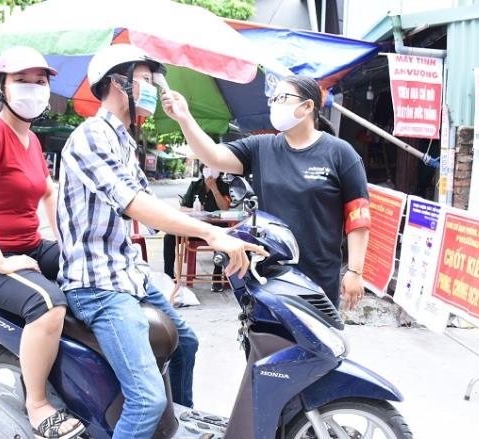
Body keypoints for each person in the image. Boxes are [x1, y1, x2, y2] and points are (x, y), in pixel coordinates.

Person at [56, 44, 266, 439]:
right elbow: (135, 204)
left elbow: (152, 205)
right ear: (118, 83)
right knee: (146, 400)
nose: (154, 88)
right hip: (97, 285)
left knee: (186, 341)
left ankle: (177, 428)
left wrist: (226, 229)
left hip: (124, 274)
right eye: (147, 80)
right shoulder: (91, 137)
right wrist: (209, 232)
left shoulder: (123, 141)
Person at [0, 46, 85, 439]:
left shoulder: (30, 140)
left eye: (40, 82)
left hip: (28, 245)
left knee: (91, 269)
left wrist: (66, 239)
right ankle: (38, 405)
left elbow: (47, 192)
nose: (32, 89)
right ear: (2, 87)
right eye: (21, 81)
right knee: (47, 306)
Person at [161, 75, 371, 310]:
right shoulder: (261, 147)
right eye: (273, 99)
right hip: (267, 275)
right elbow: (213, 156)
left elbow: (358, 218)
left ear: (307, 106)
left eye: (282, 97)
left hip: (318, 278)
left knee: (315, 345)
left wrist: (355, 271)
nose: (275, 104)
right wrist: (184, 118)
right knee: (267, 343)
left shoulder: (341, 153)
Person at [163, 164, 231, 292]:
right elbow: (183, 208)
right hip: (194, 228)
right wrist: (196, 209)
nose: (210, 171)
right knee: (169, 237)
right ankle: (169, 277)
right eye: (206, 168)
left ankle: (217, 274)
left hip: (215, 228)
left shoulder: (224, 186)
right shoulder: (195, 185)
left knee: (224, 237)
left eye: (213, 168)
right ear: (202, 170)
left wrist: (214, 189)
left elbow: (225, 208)